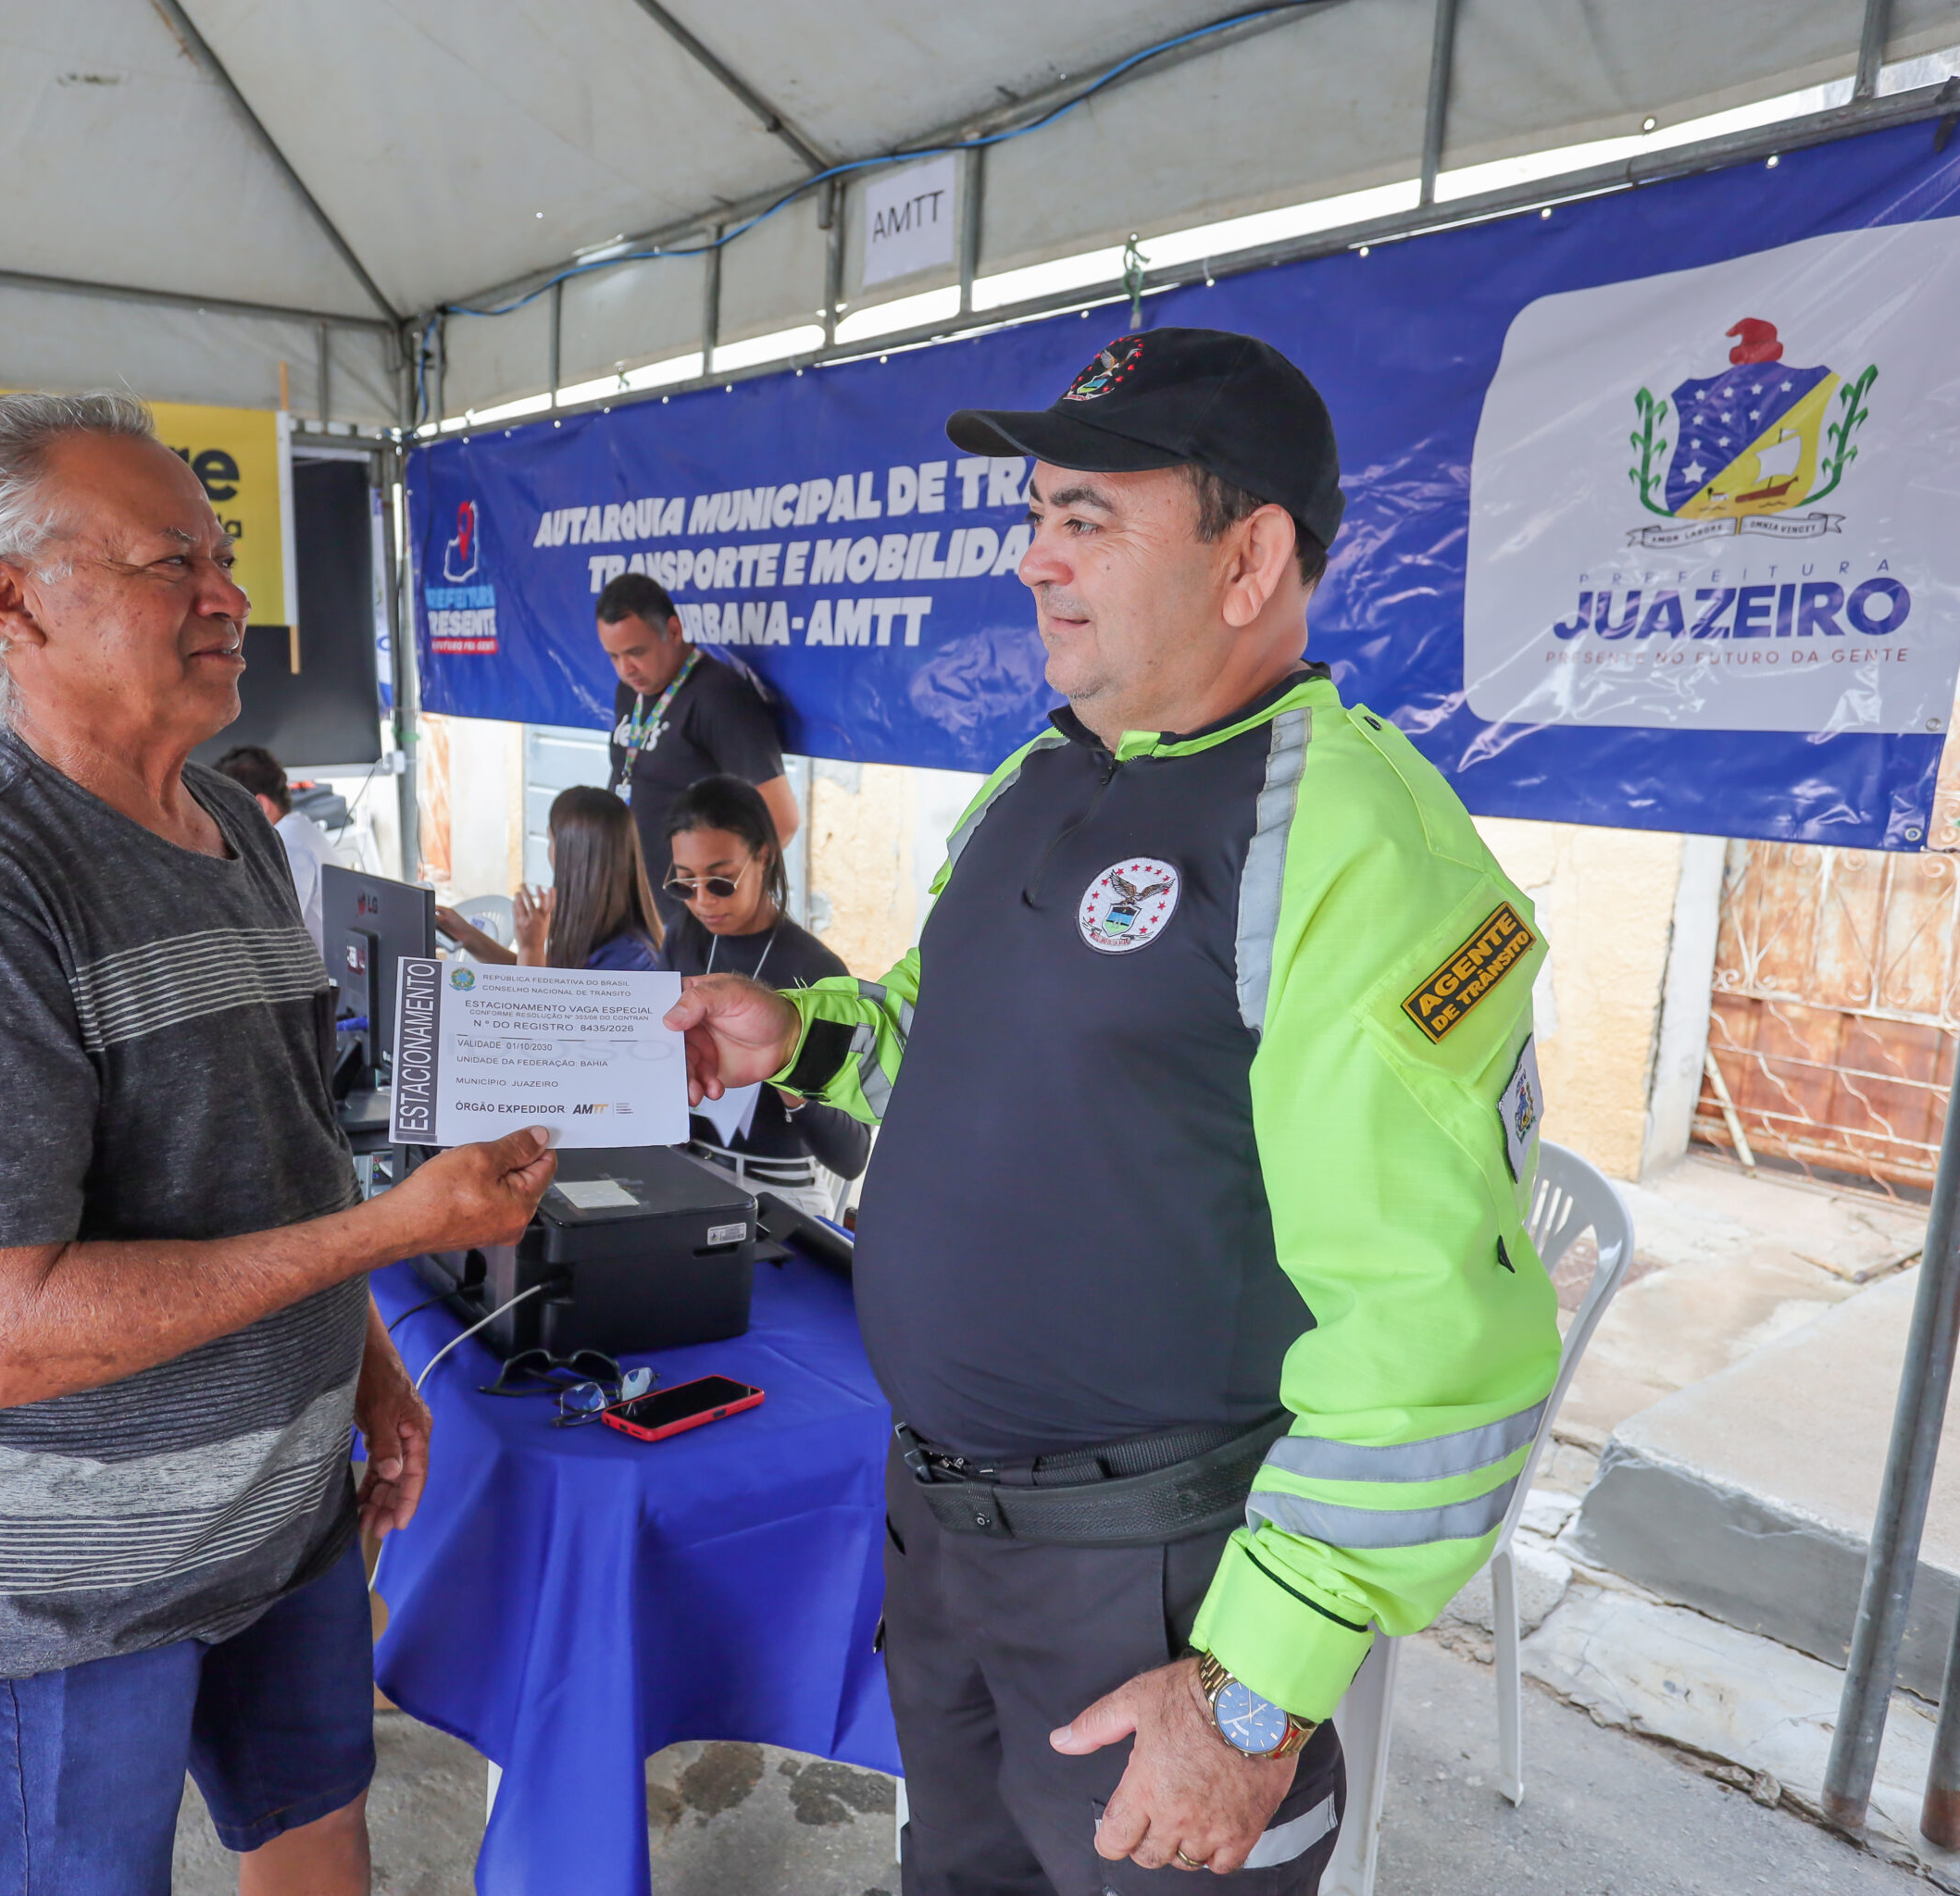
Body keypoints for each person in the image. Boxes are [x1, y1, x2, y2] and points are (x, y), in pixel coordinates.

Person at [668, 328, 1562, 1891]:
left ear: (1249, 556)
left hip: (1160, 1583)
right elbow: (949, 1056)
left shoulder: (1347, 840)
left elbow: (1437, 1349)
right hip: (946, 1534)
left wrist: (1252, 1686)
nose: (1034, 562)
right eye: (1034, 519)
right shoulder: (1045, 773)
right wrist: (797, 1038)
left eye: (1087, 518)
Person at [0, 390, 556, 1896]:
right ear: (8, 600)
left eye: (223, 555)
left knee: (319, 1833)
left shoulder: (233, 821)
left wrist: (373, 1366)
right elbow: (1, 1336)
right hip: (75, 1588)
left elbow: (280, 1148)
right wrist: (390, 1237)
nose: (230, 596)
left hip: (283, 1515)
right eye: (169, 563)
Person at [658, 775, 868, 1220]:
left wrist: (788, 1069)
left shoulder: (817, 971)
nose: (701, 901)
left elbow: (852, 1155)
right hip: (686, 1171)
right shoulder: (684, 938)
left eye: (721, 881)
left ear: (764, 855)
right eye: (683, 884)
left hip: (779, 1191)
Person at [597, 571, 798, 930]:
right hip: (635, 907)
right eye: (613, 656)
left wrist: (715, 900)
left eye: (637, 652)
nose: (626, 669)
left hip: (692, 919)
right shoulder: (630, 691)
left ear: (674, 631)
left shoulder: (720, 697)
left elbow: (781, 820)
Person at [439, 785, 662, 973]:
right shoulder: (597, 926)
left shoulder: (630, 959)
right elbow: (546, 980)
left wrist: (531, 947)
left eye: (551, 840)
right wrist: (466, 934)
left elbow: (536, 1014)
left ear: (570, 855)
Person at [215, 742, 340, 945]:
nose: (222, 822)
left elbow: (273, 933)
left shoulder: (290, 846)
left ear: (260, 805)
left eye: (227, 810)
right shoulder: (292, 833)